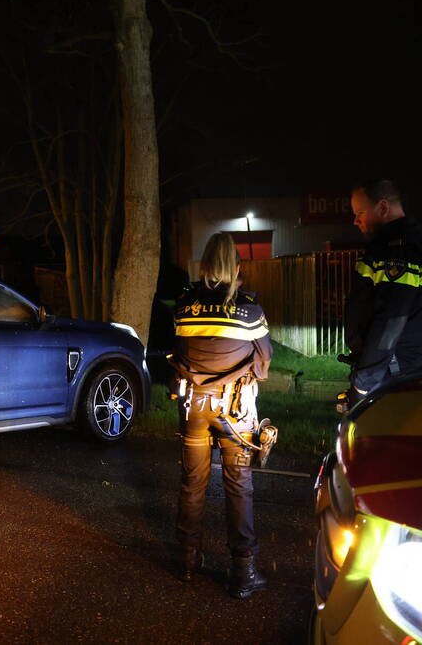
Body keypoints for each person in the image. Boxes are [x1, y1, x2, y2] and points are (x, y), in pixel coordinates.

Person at [170, 232, 272, 599]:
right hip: (237, 412)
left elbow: (177, 354)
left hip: (193, 408)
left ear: (204, 265)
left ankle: (186, 561)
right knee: (238, 486)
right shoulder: (250, 310)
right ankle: (243, 573)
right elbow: (262, 366)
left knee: (192, 483)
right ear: (237, 266)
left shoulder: (184, 306)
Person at [344, 180, 422, 405]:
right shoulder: (415, 241)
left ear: (382, 207)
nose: (355, 221)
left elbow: (392, 320)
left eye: (360, 212)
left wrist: (363, 384)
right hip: (395, 367)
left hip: (390, 372)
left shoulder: (397, 250)